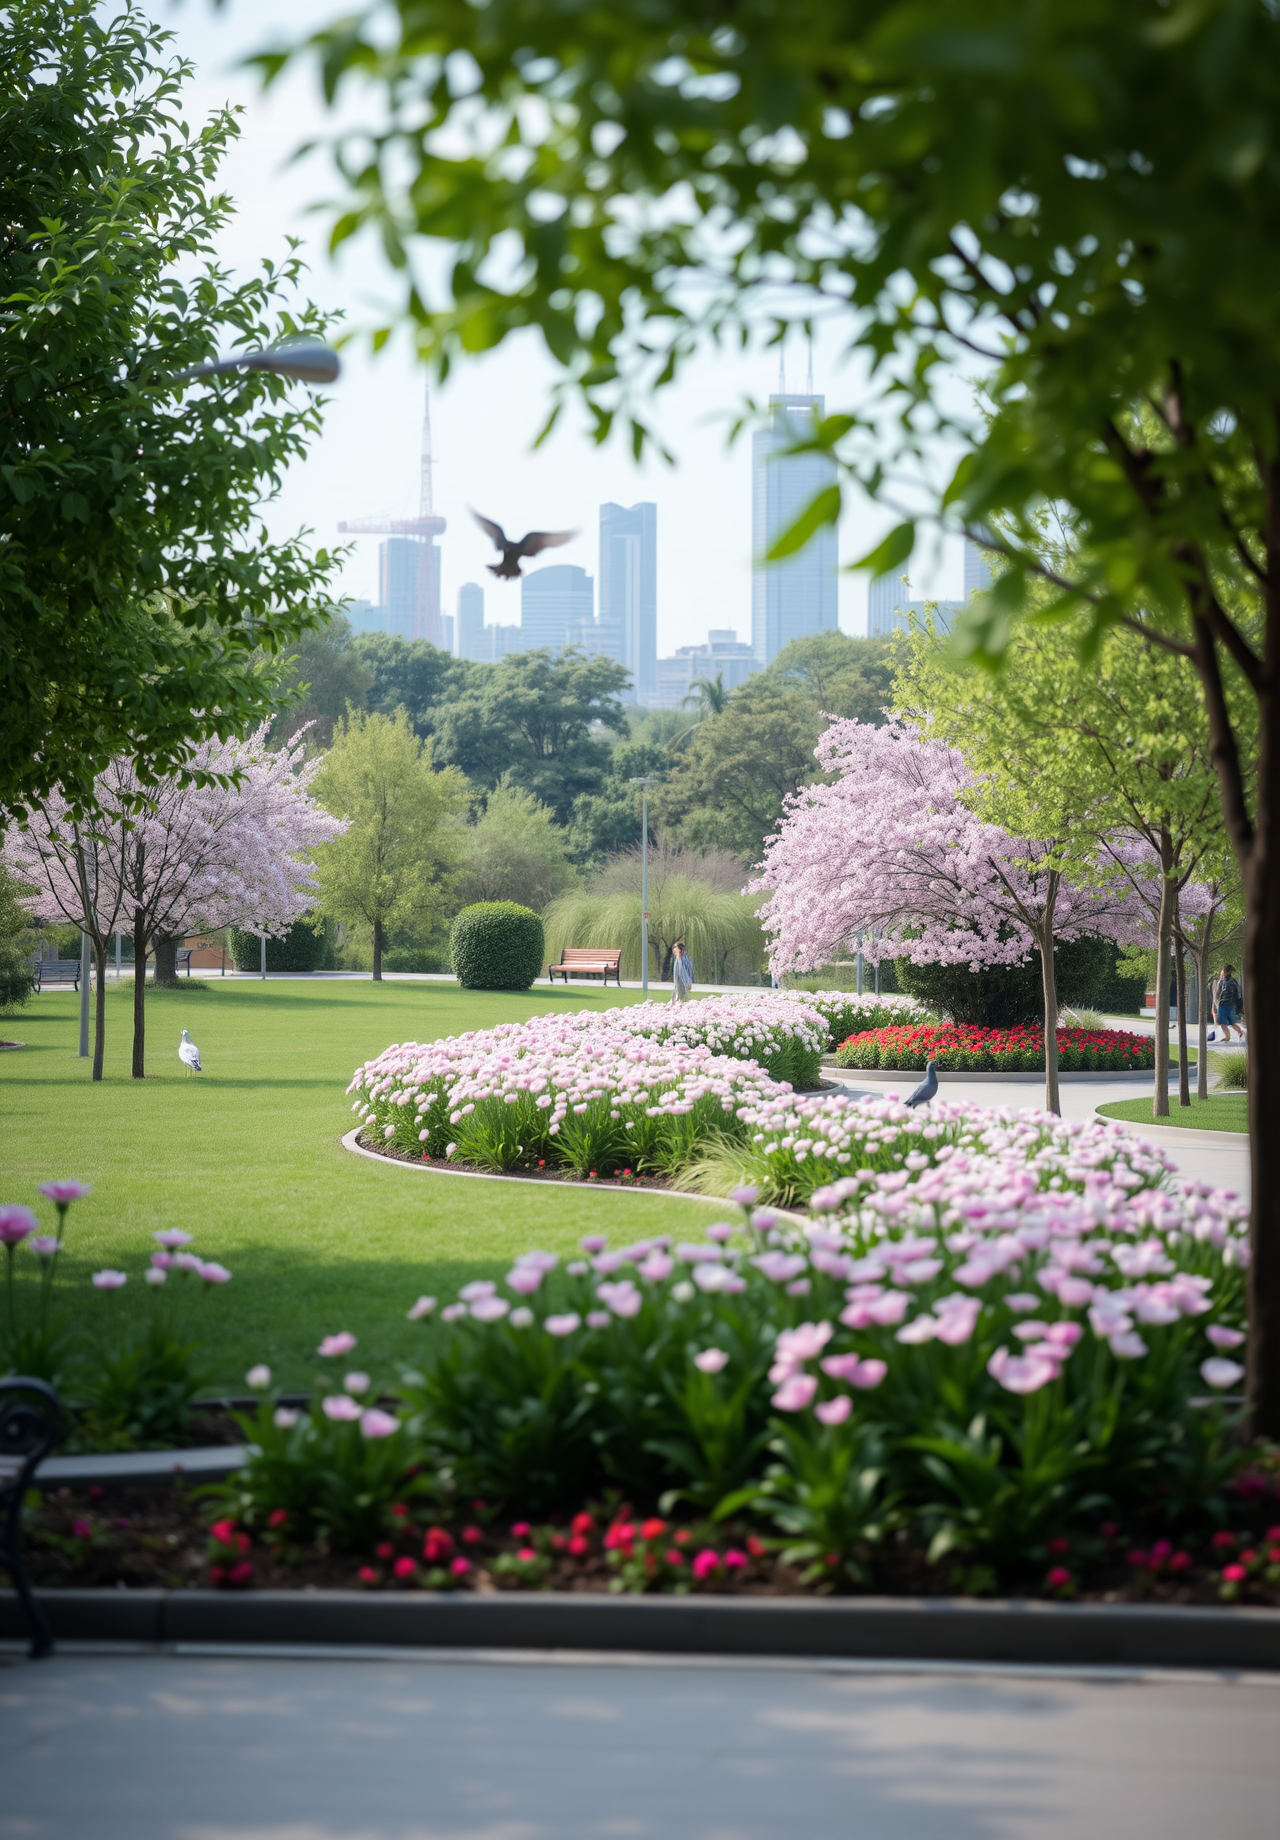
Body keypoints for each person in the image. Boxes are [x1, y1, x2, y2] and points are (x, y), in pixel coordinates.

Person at [1214, 964, 1244, 1042]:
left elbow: (1218, 993)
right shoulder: (1234, 981)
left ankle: (1227, 1037)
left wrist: (1216, 1002)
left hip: (1223, 1004)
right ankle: (1240, 1032)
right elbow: (1238, 994)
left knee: (1222, 1022)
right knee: (1232, 1022)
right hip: (1231, 1004)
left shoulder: (1221, 981)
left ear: (1223, 972)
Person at [670, 938, 694, 1005]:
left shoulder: (682, 960)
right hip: (681, 983)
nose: (674, 952)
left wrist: (687, 982)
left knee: (681, 998)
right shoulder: (684, 959)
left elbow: (683, 972)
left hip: (682, 983)